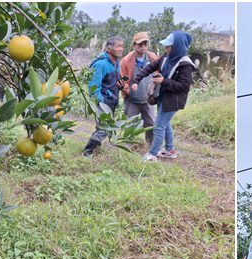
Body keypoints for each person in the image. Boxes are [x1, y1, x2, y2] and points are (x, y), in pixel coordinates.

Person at [132, 31, 196, 162]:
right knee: (165, 124)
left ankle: (152, 154)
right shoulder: (167, 58)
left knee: (159, 125)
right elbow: (150, 67)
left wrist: (163, 81)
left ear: (177, 46)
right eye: (166, 46)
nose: (166, 49)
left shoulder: (185, 64)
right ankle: (170, 150)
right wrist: (136, 80)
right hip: (163, 96)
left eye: (169, 46)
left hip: (173, 100)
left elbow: (184, 86)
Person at [82, 36, 125, 157]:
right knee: (104, 129)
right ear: (109, 48)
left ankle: (96, 147)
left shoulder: (116, 63)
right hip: (104, 102)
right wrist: (101, 103)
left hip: (112, 101)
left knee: (103, 126)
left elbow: (112, 82)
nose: (121, 49)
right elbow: (93, 87)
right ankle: (88, 151)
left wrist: (120, 86)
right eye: (118, 46)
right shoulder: (101, 64)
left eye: (122, 46)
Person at [120, 32, 158, 145]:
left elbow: (158, 74)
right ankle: (128, 146)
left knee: (151, 124)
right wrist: (128, 92)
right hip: (132, 100)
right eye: (140, 44)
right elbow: (122, 80)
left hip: (148, 99)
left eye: (145, 44)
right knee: (130, 124)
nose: (143, 46)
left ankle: (152, 147)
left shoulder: (153, 58)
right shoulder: (126, 60)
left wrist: (155, 93)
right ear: (134, 45)